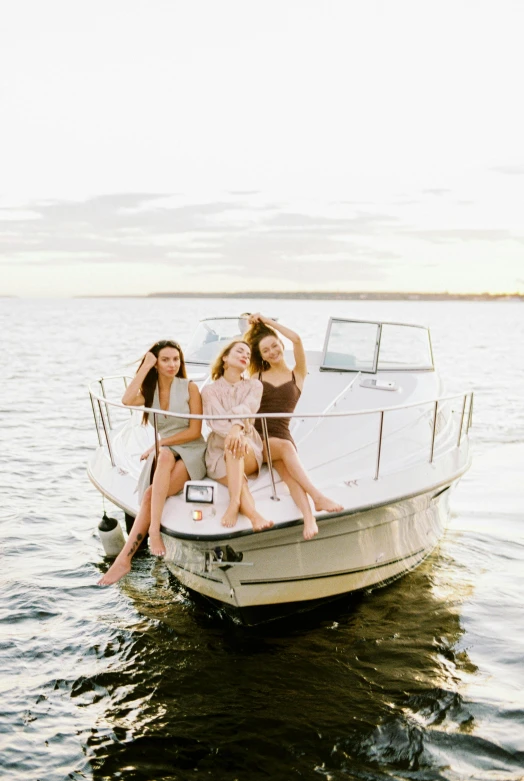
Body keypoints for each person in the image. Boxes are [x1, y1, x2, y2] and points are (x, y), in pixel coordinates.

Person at [97, 339, 206, 586]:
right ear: (157, 363)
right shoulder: (151, 390)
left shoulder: (189, 388)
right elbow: (126, 399)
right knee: (155, 482)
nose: (172, 364)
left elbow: (195, 431)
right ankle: (125, 560)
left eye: (176, 359)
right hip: (167, 451)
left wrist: (158, 445)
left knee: (153, 485)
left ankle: (143, 542)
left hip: (191, 450)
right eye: (165, 360)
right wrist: (146, 365)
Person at [244, 314, 343, 540]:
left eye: (274, 345)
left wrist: (268, 322)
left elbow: (297, 340)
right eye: (265, 350)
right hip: (258, 438)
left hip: (281, 436)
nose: (272, 352)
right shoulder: (256, 375)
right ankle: (317, 496)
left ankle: (309, 518)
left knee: (290, 476)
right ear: (261, 356)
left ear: (280, 344)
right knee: (287, 451)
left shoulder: (297, 374)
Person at [201, 340, 274, 532]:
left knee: (235, 444)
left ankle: (234, 504)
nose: (245, 356)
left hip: (249, 445)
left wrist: (236, 429)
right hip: (218, 452)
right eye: (240, 351)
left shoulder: (255, 386)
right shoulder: (209, 391)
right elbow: (215, 422)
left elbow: (248, 408)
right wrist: (234, 432)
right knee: (239, 478)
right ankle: (254, 516)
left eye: (248, 355)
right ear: (225, 357)